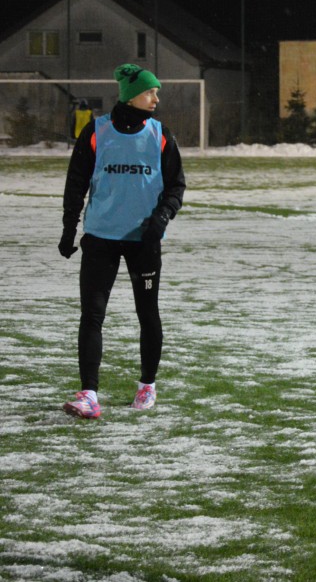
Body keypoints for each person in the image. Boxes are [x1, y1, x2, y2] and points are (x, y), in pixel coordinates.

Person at [58, 63, 186, 419]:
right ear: (131, 96)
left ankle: (147, 386)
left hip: (143, 242)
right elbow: (76, 184)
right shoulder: (96, 131)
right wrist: (69, 229)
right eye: (150, 92)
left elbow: (176, 186)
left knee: (147, 313)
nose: (156, 98)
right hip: (101, 238)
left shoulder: (160, 135)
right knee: (92, 315)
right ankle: (88, 394)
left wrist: (161, 217)